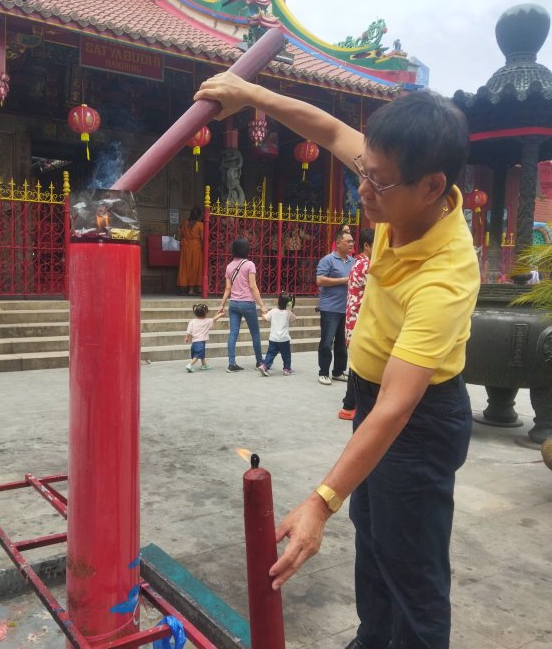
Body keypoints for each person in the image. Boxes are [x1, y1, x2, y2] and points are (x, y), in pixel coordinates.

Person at [195, 76, 479, 649]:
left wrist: (320, 502)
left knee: (413, 569)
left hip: (418, 421)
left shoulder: (446, 274)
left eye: (377, 181)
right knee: (374, 543)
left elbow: (399, 406)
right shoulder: (395, 179)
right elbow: (324, 128)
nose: (363, 191)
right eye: (362, 172)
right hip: (373, 398)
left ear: (432, 187)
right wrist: (250, 93)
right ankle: (373, 640)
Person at [339, 228, 375, 420]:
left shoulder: (357, 263)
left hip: (353, 321)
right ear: (367, 246)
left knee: (356, 366)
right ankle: (349, 405)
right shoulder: (367, 265)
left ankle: (349, 405)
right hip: (360, 322)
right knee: (359, 367)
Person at [217, 237, 267, 372]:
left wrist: (221, 305)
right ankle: (259, 362)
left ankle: (231, 363)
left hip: (233, 304)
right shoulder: (250, 265)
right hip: (247, 304)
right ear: (246, 250)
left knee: (233, 333)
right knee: (255, 333)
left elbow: (227, 288)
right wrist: (262, 305)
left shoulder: (229, 266)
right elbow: (253, 286)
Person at [316, 229, 355, 385]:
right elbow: (319, 280)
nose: (352, 244)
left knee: (341, 343)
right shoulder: (328, 260)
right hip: (330, 308)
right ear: (338, 243)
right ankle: (323, 372)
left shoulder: (353, 261)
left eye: (352, 241)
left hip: (346, 308)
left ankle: (338, 371)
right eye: (348, 241)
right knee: (327, 342)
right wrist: (344, 280)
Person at [258, 293, 297, 376]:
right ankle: (287, 369)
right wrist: (291, 310)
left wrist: (262, 313)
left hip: (273, 339)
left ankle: (264, 366)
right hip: (284, 339)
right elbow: (294, 319)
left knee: (271, 354)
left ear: (278, 301)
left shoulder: (273, 311)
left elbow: (265, 318)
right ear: (288, 304)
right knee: (286, 355)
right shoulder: (288, 313)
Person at [184, 303, 224, 372]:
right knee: (198, 355)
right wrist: (220, 314)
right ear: (205, 313)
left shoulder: (192, 321)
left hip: (194, 342)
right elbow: (214, 319)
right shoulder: (207, 321)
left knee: (201, 354)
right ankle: (190, 365)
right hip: (201, 342)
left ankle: (204, 365)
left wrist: (187, 337)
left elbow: (189, 331)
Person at [177, 206, 204, 295]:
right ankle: (191, 290)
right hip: (196, 248)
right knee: (194, 268)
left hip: (185, 247)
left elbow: (180, 235)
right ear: (199, 216)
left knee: (184, 267)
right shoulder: (200, 225)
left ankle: (182, 287)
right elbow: (203, 238)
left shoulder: (184, 223)